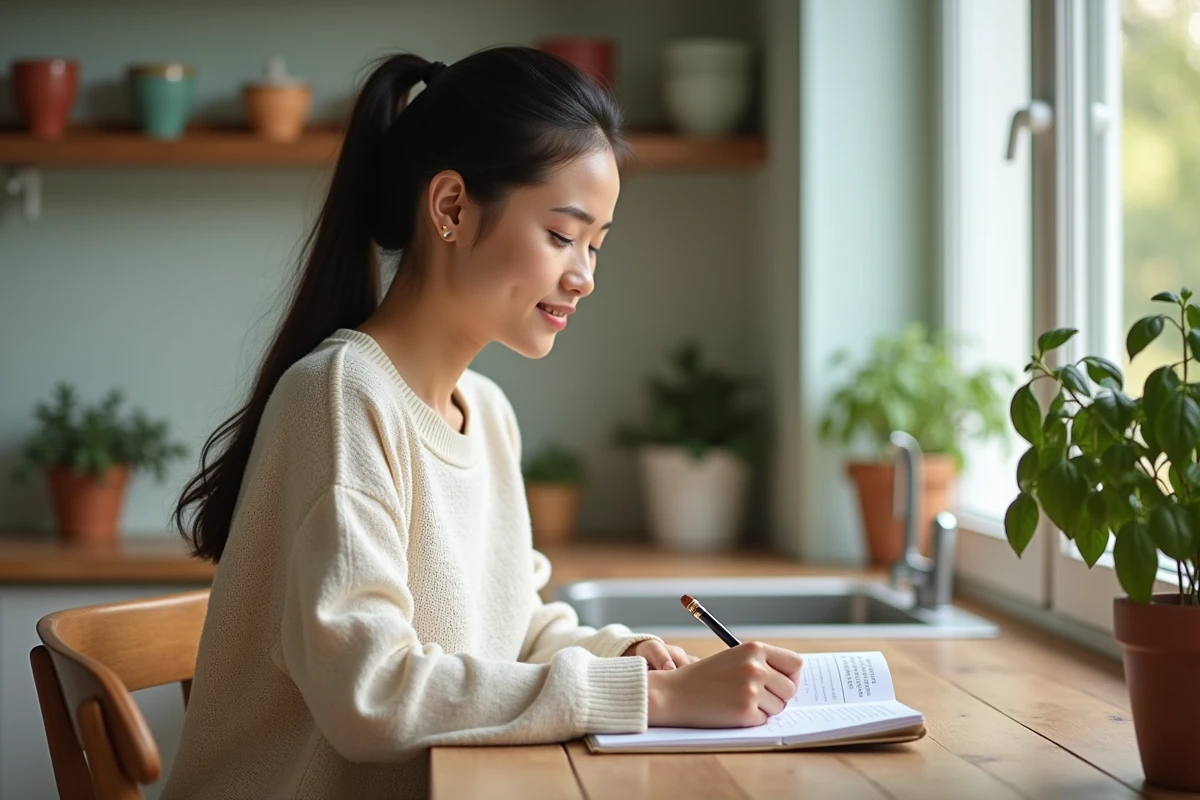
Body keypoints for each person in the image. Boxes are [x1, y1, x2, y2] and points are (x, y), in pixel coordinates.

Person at [162, 46, 803, 799]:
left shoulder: (488, 414)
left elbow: (516, 630)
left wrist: (628, 656)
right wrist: (653, 702)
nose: (585, 275)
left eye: (597, 244)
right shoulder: (341, 398)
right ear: (452, 208)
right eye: (564, 236)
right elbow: (370, 694)